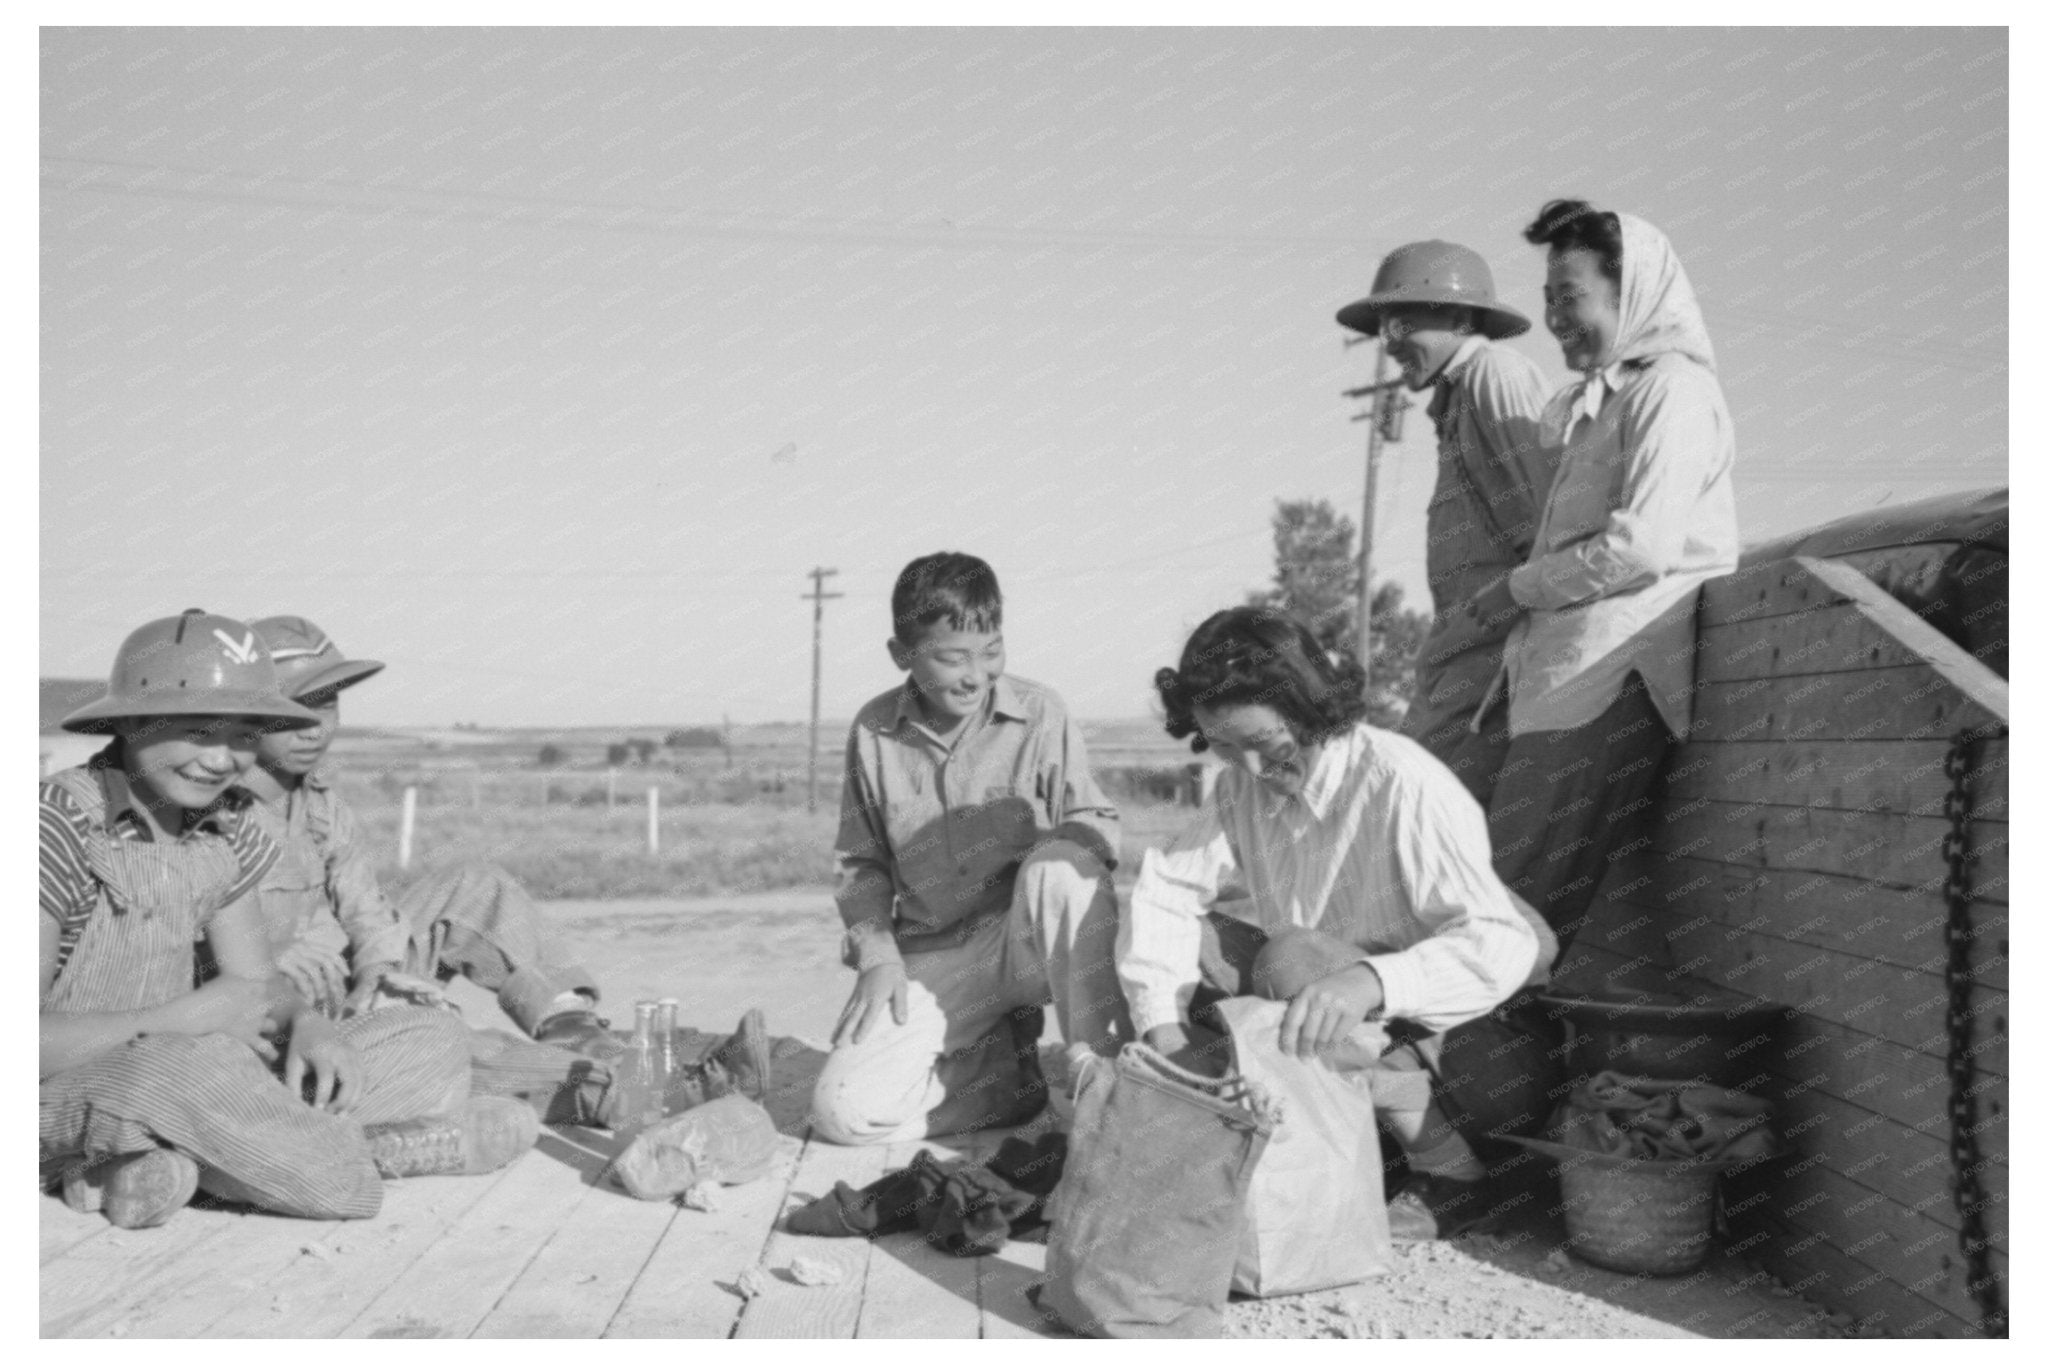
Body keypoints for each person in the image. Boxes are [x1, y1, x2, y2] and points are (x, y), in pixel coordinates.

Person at [40, 610, 535, 1230]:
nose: (221, 759)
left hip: (205, 1065)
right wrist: (178, 1023)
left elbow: (256, 984)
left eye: (245, 735)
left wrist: (302, 1021)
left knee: (426, 1037)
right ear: (133, 721)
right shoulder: (53, 826)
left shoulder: (227, 825)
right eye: (198, 732)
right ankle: (364, 1154)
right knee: (190, 1075)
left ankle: (163, 1164)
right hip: (76, 1084)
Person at [1118, 607, 1554, 1239]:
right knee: (1174, 939)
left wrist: (1371, 982)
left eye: (1265, 745)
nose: (1247, 770)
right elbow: (1165, 890)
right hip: (1356, 1027)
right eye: (1221, 746)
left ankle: (1455, 1172)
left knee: (1289, 959)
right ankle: (1242, 1128)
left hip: (1477, 1055)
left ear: (1308, 709)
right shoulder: (1241, 786)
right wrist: (1163, 1032)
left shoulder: (1400, 779)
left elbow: (1505, 944)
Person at [237, 615, 770, 1127]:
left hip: (349, 975)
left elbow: (365, 907)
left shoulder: (318, 802)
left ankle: (575, 1031)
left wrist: (380, 973)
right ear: (249, 712)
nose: (315, 727)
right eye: (294, 708)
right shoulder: (218, 810)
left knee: (474, 885)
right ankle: (637, 1092)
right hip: (287, 1015)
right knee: (442, 1039)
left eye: (326, 704)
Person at [1466, 201, 1738, 953]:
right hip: (1563, 686)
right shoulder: (1605, 405)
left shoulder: (1672, 392)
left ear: (1636, 293)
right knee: (1505, 903)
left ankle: (1465, 1061)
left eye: (1571, 296)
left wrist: (1517, 588)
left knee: (1510, 914)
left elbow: (1643, 548)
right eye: (1548, 298)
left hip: (1605, 680)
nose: (1555, 317)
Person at [808, 552, 1131, 1146]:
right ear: (902, 654)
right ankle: (1002, 1082)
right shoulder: (873, 731)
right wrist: (878, 956)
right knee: (843, 1114)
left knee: (1060, 872)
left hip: (1027, 939)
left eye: (991, 653)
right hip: (938, 953)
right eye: (952, 657)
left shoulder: (1041, 712)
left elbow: (1094, 817)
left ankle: (1108, 1090)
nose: (975, 675)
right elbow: (860, 864)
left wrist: (1061, 850)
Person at [1336, 241, 1555, 804]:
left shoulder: (1493, 375)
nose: (1389, 343)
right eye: (1383, 327)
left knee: (1414, 805)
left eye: (1403, 322)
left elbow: (1543, 526)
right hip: (1467, 649)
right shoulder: (1456, 395)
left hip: (1497, 650)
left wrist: (1493, 628)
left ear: (1459, 318)